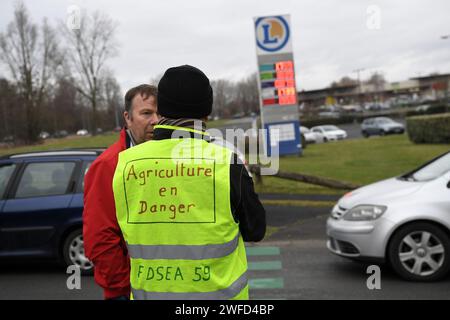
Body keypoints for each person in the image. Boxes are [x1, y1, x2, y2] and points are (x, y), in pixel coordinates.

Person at [112, 65, 266, 300]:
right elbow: (256, 229)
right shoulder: (225, 163)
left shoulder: (126, 164)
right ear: (207, 113)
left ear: (160, 109)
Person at [83, 84, 159, 300]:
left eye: (160, 114)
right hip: (127, 290)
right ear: (127, 118)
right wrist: (123, 286)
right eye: (146, 113)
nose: (155, 120)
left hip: (164, 285)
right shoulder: (107, 165)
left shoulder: (167, 159)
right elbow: (99, 237)